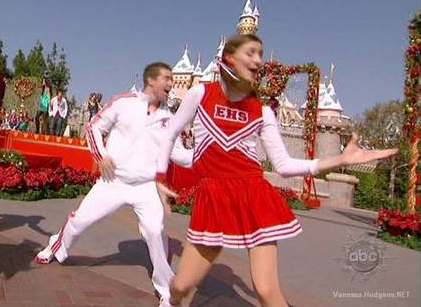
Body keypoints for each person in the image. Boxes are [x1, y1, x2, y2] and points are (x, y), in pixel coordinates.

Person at [156, 34, 399, 307]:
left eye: (260, 54)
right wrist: (160, 178)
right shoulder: (201, 93)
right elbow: (171, 134)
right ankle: (171, 301)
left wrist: (339, 160)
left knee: (267, 291)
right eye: (251, 52)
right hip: (214, 198)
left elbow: (283, 165)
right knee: (181, 285)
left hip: (255, 197)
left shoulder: (262, 111)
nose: (258, 60)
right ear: (229, 58)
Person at [34, 62, 193, 307]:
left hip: (145, 187)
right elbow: (94, 127)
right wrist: (100, 156)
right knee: (80, 219)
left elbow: (180, 154)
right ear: (151, 80)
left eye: (172, 80)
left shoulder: (169, 119)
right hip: (113, 180)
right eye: (167, 79)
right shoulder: (123, 102)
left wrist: (208, 152)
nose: (171, 84)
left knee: (154, 231)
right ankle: (56, 246)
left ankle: (166, 290)